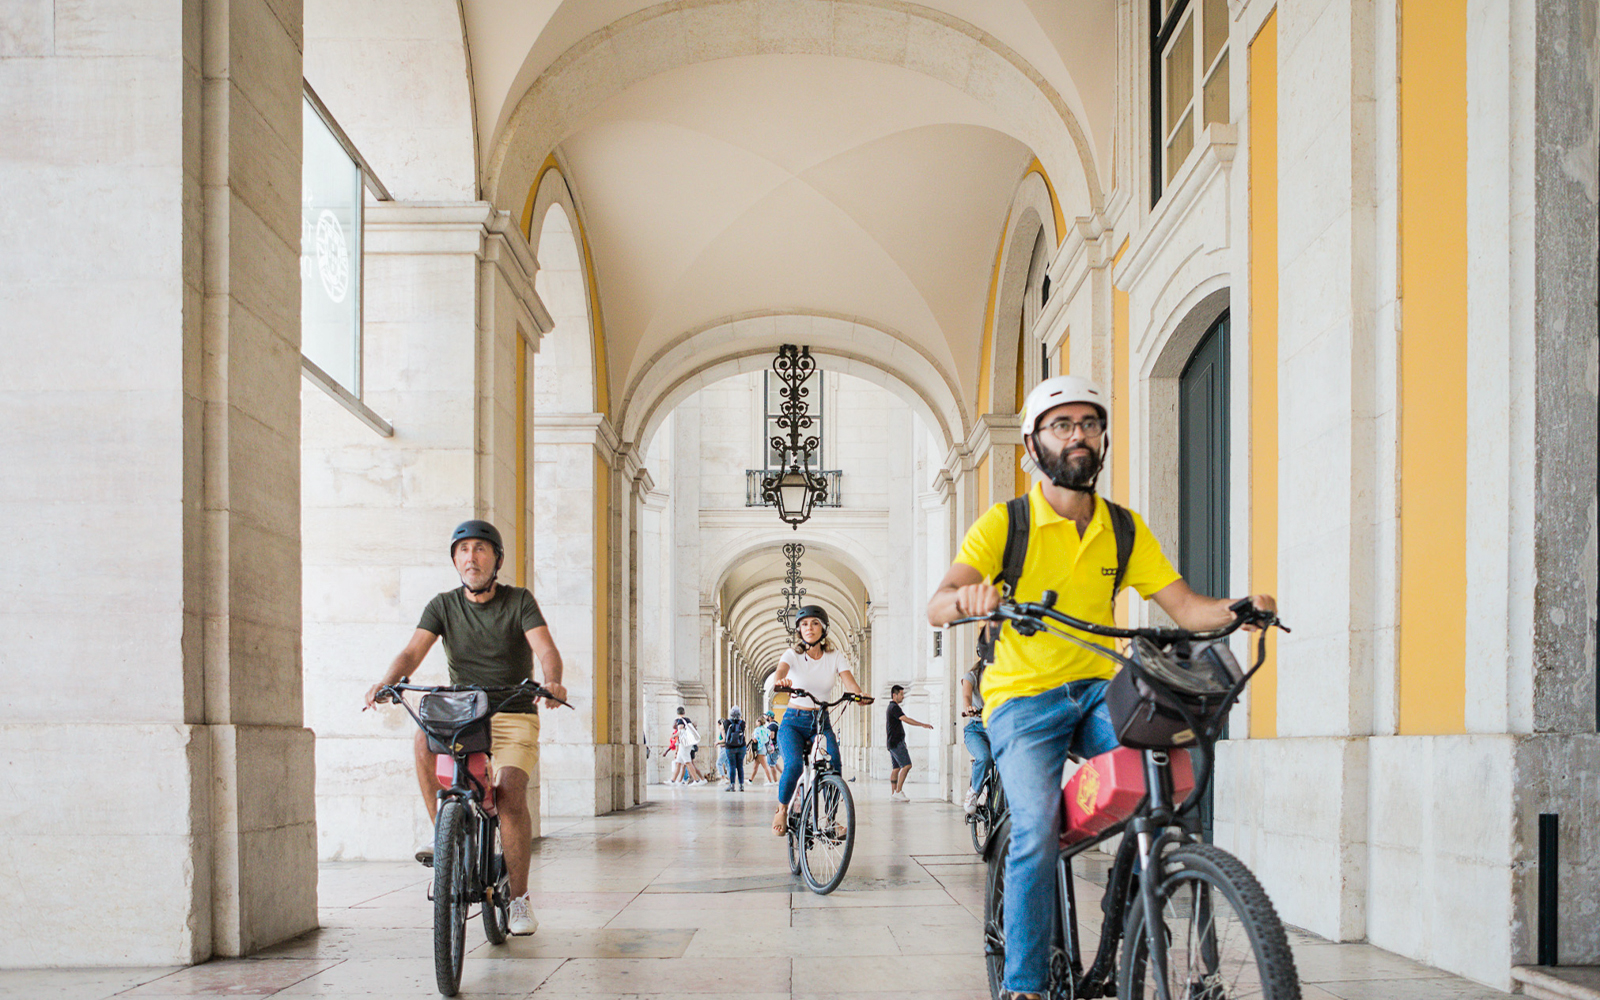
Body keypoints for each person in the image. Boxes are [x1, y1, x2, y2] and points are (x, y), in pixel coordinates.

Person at [925, 375, 1276, 1000]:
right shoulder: (1006, 524)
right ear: (1034, 445)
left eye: (1088, 423)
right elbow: (937, 604)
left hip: (1095, 689)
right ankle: (1025, 986)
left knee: (1174, 769)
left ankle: (1151, 906)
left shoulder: (1121, 527)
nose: (1078, 435)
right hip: (1022, 701)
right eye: (1062, 425)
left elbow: (1187, 607)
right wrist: (970, 597)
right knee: (1035, 829)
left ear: (1103, 439)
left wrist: (1238, 608)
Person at [364, 519, 568, 938]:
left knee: (510, 792)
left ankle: (519, 900)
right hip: (463, 712)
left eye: (479, 549)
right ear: (455, 560)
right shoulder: (443, 605)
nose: (470, 557)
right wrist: (388, 681)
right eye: (462, 551)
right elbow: (412, 651)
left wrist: (552, 681)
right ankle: (445, 835)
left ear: (496, 559)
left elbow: (545, 648)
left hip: (514, 711)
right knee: (423, 739)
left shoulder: (519, 601)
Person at [770, 606, 871, 836]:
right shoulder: (792, 655)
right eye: (804, 624)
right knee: (794, 765)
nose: (809, 628)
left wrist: (859, 695)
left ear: (823, 628)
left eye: (814, 623)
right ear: (799, 629)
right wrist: (781, 682)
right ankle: (782, 809)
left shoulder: (834, 657)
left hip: (820, 722)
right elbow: (780, 674)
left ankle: (830, 820)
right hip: (793, 722)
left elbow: (850, 683)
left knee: (834, 763)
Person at [884, 684, 933, 801]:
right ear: (894, 695)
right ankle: (898, 791)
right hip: (896, 742)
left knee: (896, 768)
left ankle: (893, 794)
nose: (903, 697)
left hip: (892, 742)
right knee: (907, 765)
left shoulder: (890, 707)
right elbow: (906, 719)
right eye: (901, 694)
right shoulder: (894, 707)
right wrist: (922, 724)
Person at [960, 658, 991, 815]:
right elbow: (966, 696)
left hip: (997, 727)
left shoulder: (1003, 675)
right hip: (976, 729)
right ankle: (974, 792)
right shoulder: (971, 676)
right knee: (984, 757)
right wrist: (969, 708)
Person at [673, 708, 706, 784]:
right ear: (684, 712)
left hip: (684, 744)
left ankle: (696, 780)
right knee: (679, 762)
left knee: (688, 762)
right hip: (688, 744)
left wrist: (674, 735)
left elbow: (680, 731)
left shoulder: (680, 721)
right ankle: (673, 780)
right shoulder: (687, 720)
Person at [720, 706, 748, 791]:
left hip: (730, 747)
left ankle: (732, 785)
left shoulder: (726, 722)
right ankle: (741, 785)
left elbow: (723, 733)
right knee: (740, 766)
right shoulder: (742, 723)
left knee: (732, 765)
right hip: (741, 746)